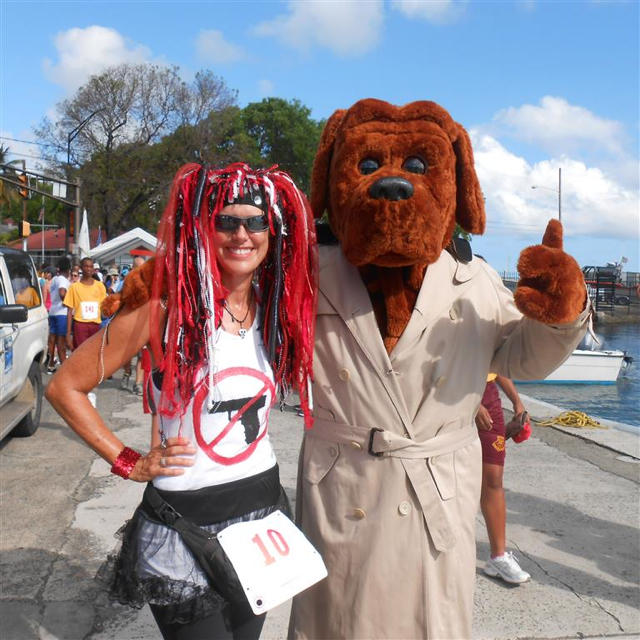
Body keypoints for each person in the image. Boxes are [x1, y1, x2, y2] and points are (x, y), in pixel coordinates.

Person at [46, 162, 317, 640]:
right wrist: (127, 460)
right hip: (183, 525)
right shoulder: (163, 311)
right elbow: (65, 386)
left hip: (260, 513)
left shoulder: (274, 311)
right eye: (226, 221)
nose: (241, 234)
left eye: (256, 222)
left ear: (272, 234)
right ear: (203, 230)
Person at [476, 374, 531, 584]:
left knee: (493, 479)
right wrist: (471, 405)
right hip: (448, 390)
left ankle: (498, 557)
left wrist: (517, 402)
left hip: (487, 393)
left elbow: (497, 362)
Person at [63, 257, 107, 350]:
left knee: (94, 354)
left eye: (91, 266)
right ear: (81, 268)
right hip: (80, 326)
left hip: (95, 326)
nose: (88, 269)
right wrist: (67, 335)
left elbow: (105, 307)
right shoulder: (74, 287)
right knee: (81, 353)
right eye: (86, 266)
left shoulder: (100, 286)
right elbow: (69, 311)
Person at [46, 257, 72, 374]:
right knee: (61, 342)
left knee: (52, 340)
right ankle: (65, 369)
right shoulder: (62, 279)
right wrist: (67, 302)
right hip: (62, 313)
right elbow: (62, 292)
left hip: (52, 311)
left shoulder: (54, 279)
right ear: (68, 269)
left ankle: (50, 364)